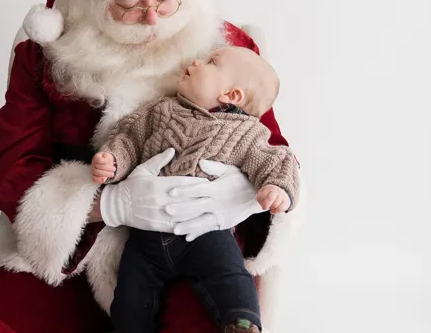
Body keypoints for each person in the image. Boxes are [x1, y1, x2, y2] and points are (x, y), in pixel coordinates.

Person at [0, 0, 305, 333]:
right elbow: (13, 171)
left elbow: (274, 152)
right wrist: (108, 205)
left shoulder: (226, 48)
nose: (151, 16)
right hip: (76, 251)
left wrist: (237, 196)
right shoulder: (44, 58)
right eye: (129, 2)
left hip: (197, 241)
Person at [91, 46, 300, 333]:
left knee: (230, 274)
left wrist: (277, 188)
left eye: (211, 62)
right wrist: (113, 160)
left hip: (207, 233)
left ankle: (242, 321)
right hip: (146, 236)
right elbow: (129, 138)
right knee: (130, 297)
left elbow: (277, 159)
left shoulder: (246, 132)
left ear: (232, 95)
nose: (195, 61)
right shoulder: (161, 110)